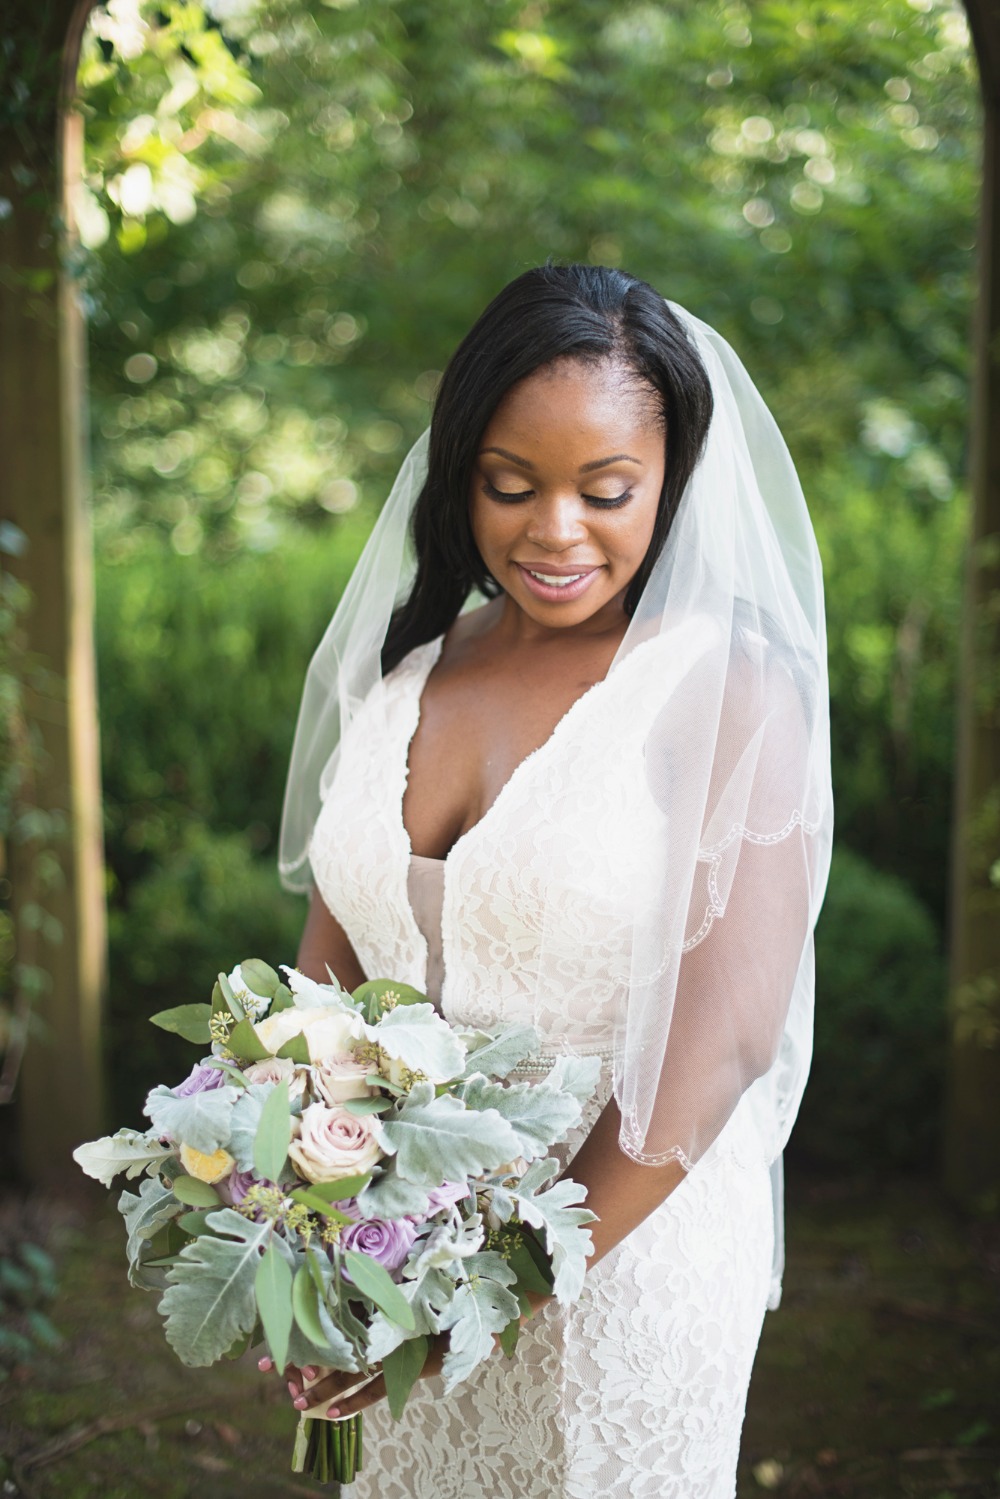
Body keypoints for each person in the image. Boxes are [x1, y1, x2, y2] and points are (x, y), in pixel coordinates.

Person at [271, 263, 833, 1497]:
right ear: (460, 472)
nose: (554, 530)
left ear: (672, 483)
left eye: (607, 489)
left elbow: (726, 1037)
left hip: (617, 1267)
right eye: (509, 485)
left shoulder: (725, 692)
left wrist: (475, 1291)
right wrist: (298, 1224)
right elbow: (332, 963)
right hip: (390, 1252)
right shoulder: (408, 666)